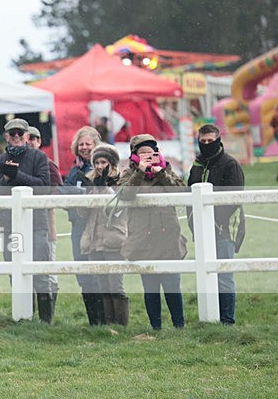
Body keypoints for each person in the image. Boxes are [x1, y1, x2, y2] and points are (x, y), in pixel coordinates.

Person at [119, 134, 187, 330]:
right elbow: (125, 195)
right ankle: (156, 327)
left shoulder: (166, 169)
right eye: (143, 154)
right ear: (135, 155)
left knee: (172, 285)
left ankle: (179, 326)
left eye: (151, 152)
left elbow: (180, 193)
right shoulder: (129, 173)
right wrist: (139, 172)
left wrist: (161, 173)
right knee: (150, 288)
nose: (148, 157)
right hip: (143, 239)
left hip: (168, 237)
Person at [0, 118, 53, 323]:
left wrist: (18, 175)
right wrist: (5, 179)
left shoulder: (39, 157)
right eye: (12, 134)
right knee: (15, 274)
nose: (16, 137)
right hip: (10, 227)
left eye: (20, 134)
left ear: (26, 136)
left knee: (40, 273)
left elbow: (44, 186)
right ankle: (23, 319)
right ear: (6, 136)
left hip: (37, 225)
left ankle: (45, 322)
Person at [187, 123, 245, 324]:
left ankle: (227, 320)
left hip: (225, 229)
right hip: (202, 229)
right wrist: (194, 223)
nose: (206, 144)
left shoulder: (230, 164)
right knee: (206, 274)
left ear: (218, 141)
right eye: (203, 141)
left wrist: (215, 221)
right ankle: (211, 318)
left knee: (224, 275)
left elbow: (234, 198)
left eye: (210, 141)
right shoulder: (196, 165)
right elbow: (190, 195)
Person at [77, 145, 128, 326]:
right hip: (93, 239)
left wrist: (104, 189)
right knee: (102, 285)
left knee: (116, 285)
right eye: (97, 162)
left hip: (113, 238)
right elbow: (82, 214)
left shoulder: (120, 181)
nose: (99, 166)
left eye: (103, 162)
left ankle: (120, 325)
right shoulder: (91, 181)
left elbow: (116, 210)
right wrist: (88, 193)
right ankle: (107, 326)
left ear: (111, 163)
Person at [62, 126, 104, 325]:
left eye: (88, 144)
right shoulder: (73, 170)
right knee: (83, 274)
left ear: (96, 145)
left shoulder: (102, 166)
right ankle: (93, 322)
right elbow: (63, 196)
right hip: (77, 226)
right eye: (81, 144)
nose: (85, 147)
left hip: (96, 227)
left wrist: (75, 194)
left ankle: (106, 320)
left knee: (98, 273)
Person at [29, 125, 62, 313]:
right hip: (26, 227)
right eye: (29, 138)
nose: (31, 142)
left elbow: (56, 191)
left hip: (46, 226)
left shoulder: (48, 164)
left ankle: (49, 312)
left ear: (40, 142)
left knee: (47, 270)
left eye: (35, 138)